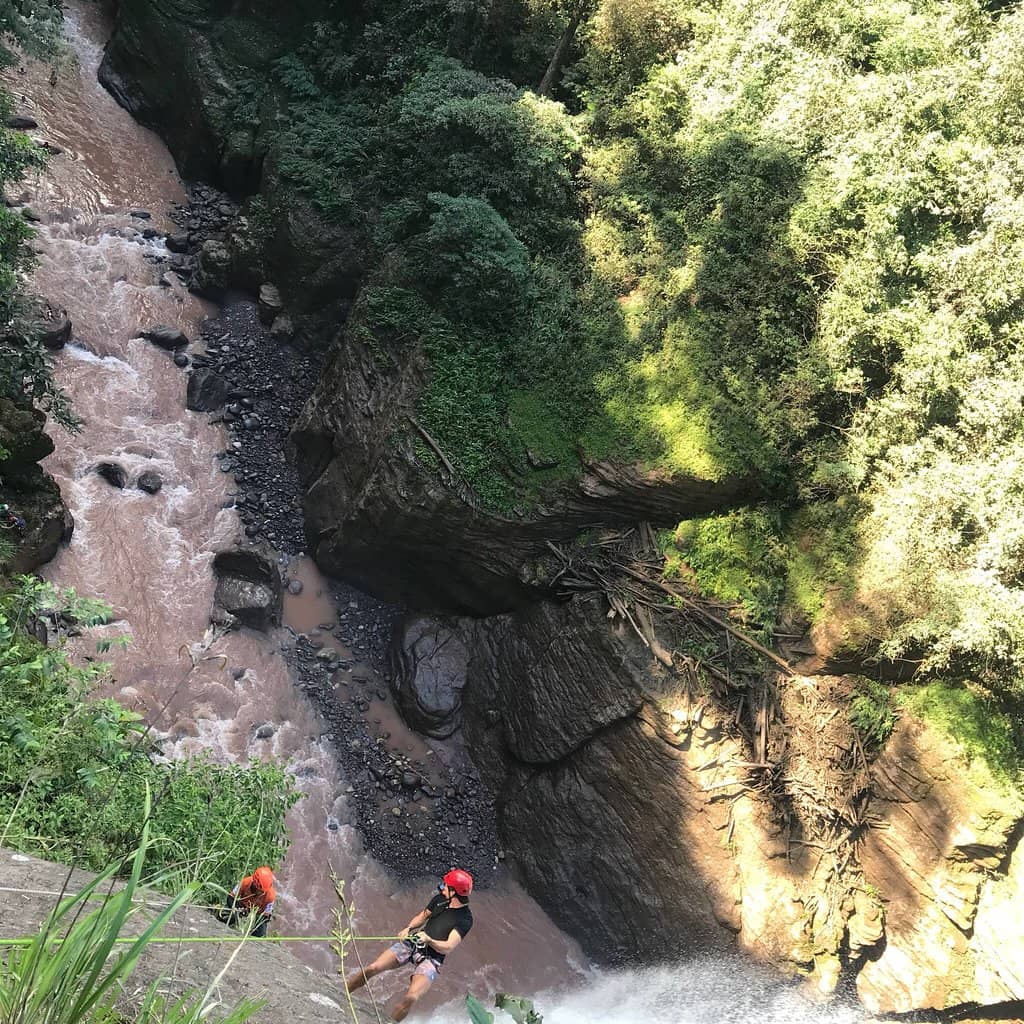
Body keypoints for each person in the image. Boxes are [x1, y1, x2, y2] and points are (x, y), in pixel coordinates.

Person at [345, 868, 474, 1022]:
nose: (442, 887)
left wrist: (429, 940)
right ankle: (343, 993)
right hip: (414, 943)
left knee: (411, 997)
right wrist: (408, 928)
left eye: (446, 885)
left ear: (454, 892)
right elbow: (422, 916)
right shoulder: (440, 899)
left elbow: (448, 946)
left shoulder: (465, 919)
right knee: (372, 968)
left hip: (432, 958)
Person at [218, 866, 276, 937]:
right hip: (242, 907)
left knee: (260, 934)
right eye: (259, 891)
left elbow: (265, 917)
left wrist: (252, 918)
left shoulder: (270, 896)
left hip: (257, 915)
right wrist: (236, 909)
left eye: (263, 892)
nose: (261, 893)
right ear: (254, 884)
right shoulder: (245, 882)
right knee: (223, 916)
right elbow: (230, 897)